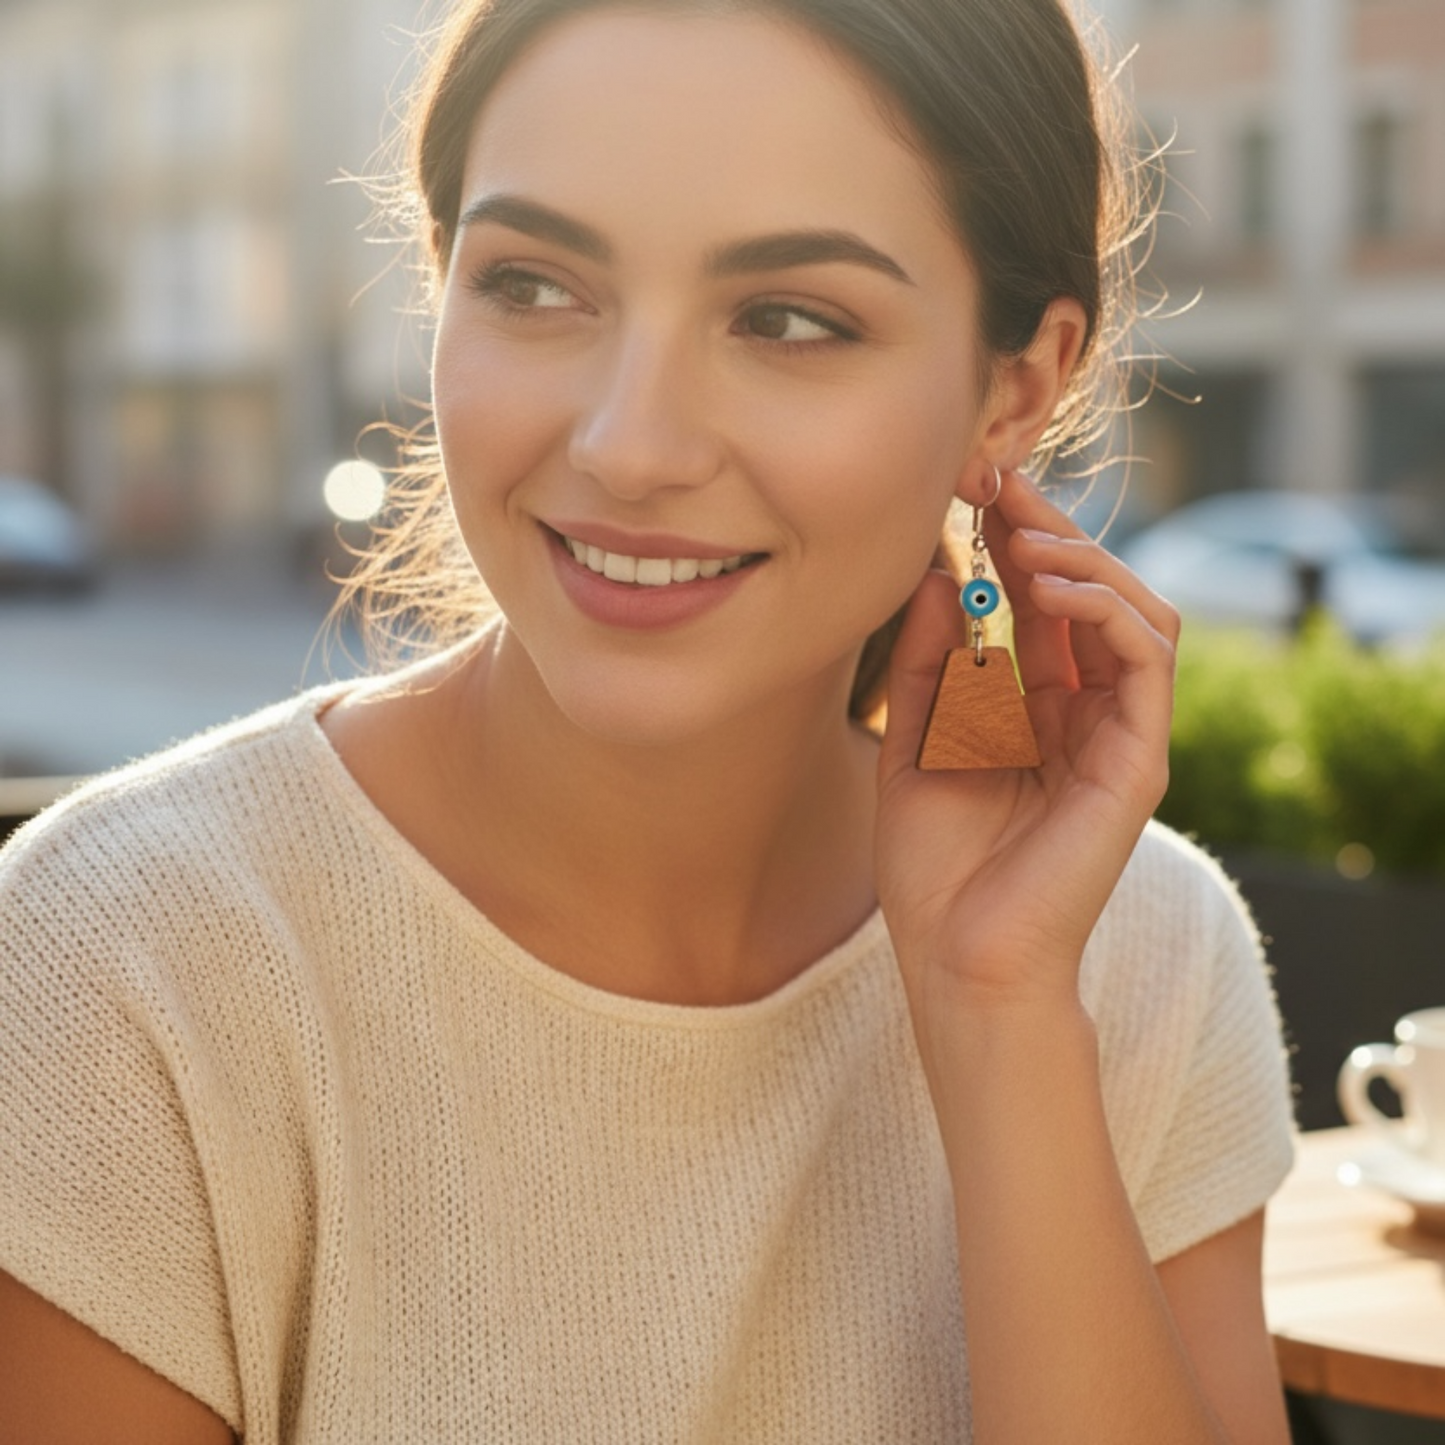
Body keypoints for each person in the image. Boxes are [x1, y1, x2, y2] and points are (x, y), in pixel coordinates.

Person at [0, 0, 1296, 1440]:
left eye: (790, 319)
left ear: (1015, 389)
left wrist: (1001, 1019)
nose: (628, 442)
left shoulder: (1139, 956)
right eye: (535, 286)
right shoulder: (125, 962)